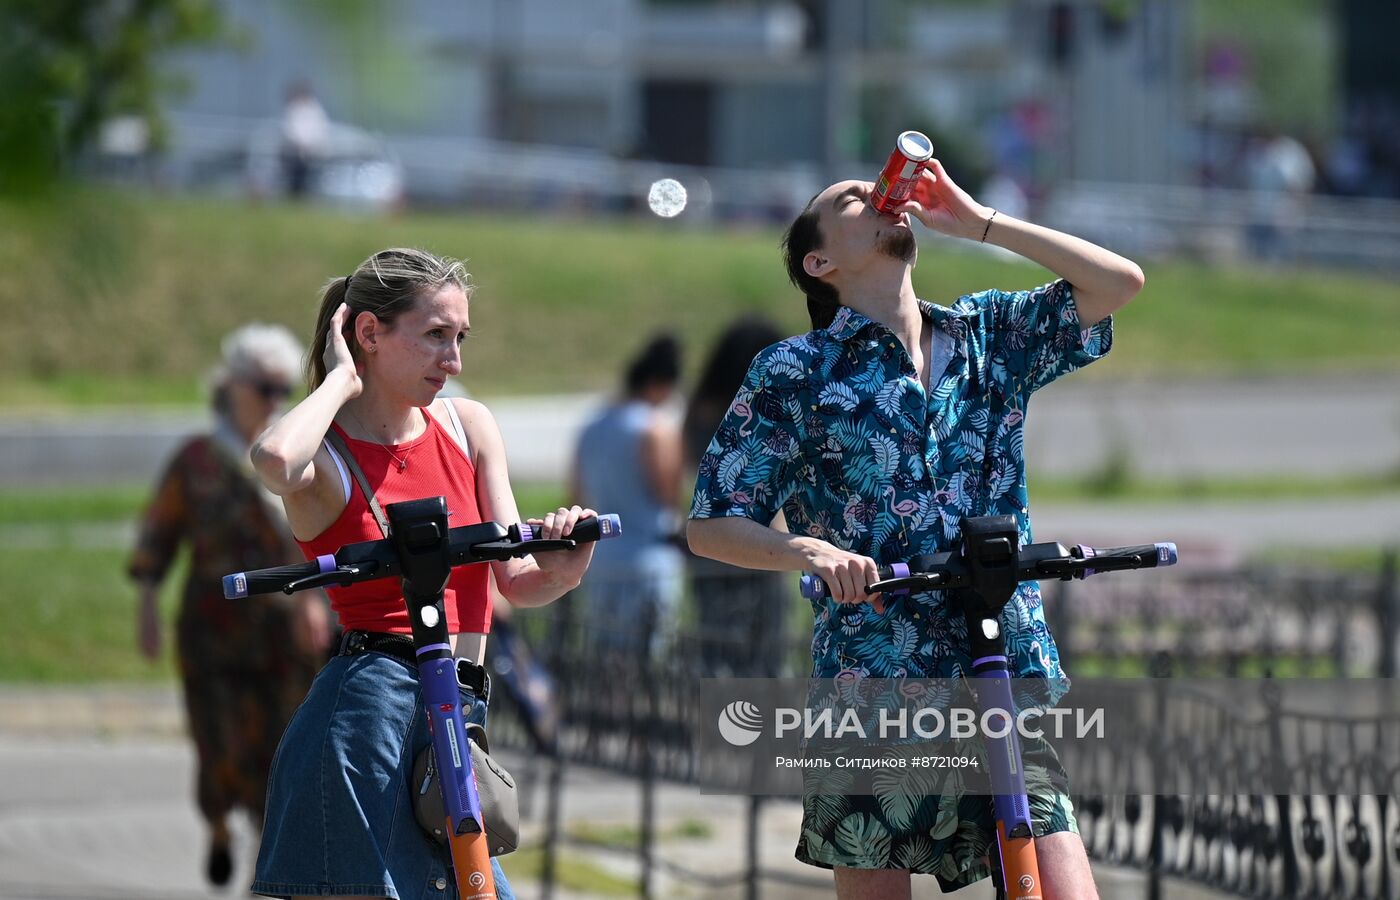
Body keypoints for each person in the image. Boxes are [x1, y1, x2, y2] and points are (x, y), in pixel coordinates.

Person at [687, 158, 1144, 899]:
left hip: (1001, 660)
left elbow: (1118, 284)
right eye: (853, 198)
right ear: (820, 259)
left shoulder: (986, 335)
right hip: (873, 675)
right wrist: (804, 548)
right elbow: (711, 524)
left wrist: (980, 225)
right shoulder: (794, 371)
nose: (881, 193)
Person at [248, 248, 597, 900]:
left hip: (458, 710)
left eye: (459, 337)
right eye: (436, 335)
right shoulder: (329, 462)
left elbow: (517, 582)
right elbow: (272, 461)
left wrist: (564, 569)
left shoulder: (468, 427)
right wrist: (340, 382)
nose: (455, 359)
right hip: (368, 717)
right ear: (370, 334)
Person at [128, 323, 330, 887]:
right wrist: (146, 601)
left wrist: (314, 600)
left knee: (282, 745)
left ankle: (268, 861)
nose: (273, 400)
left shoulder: (292, 454)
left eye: (282, 389)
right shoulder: (197, 458)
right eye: (264, 387)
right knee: (217, 740)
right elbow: (159, 532)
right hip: (211, 629)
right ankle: (218, 827)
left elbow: (316, 535)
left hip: (282, 632)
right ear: (233, 384)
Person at [682, 317, 791, 676]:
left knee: (717, 646)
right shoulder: (763, 410)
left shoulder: (701, 412)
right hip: (762, 540)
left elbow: (688, 468)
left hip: (714, 539)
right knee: (767, 650)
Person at [571, 334, 684, 656]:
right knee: (648, 660)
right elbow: (668, 495)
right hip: (649, 558)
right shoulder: (655, 428)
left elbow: (576, 494)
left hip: (602, 558)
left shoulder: (592, 426)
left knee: (606, 660)